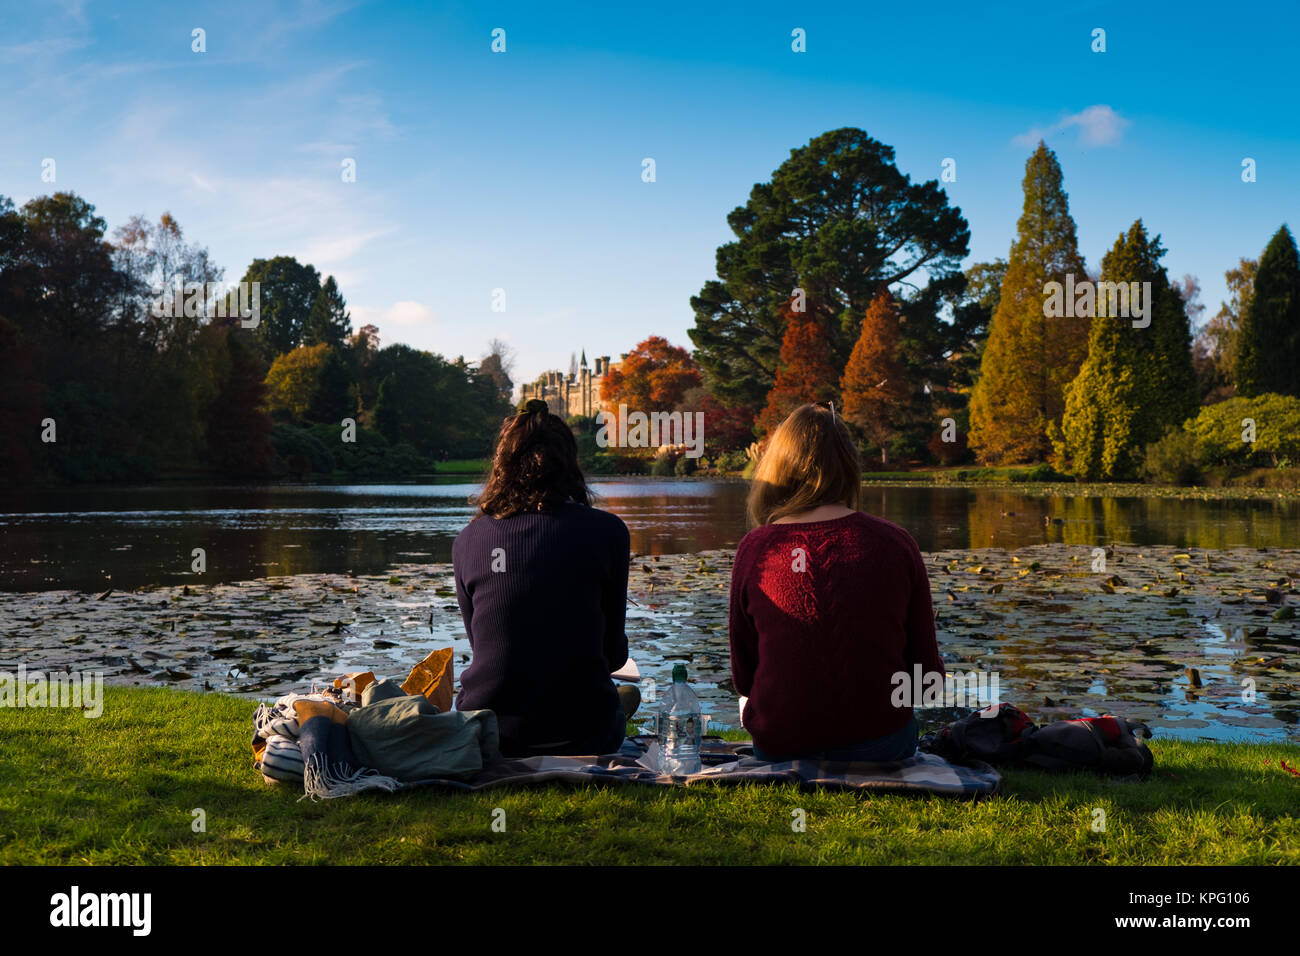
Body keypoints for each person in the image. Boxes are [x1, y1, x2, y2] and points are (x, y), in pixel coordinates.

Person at [728, 402, 944, 762]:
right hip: (882, 744)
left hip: (781, 745)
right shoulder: (895, 542)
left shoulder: (756, 548)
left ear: (777, 469)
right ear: (848, 465)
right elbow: (926, 682)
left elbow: (744, 678)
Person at [453, 399, 640, 757]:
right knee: (626, 695)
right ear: (569, 464)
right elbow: (614, 656)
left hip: (491, 735)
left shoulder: (468, 540)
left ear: (501, 466)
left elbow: (484, 647)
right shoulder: (608, 531)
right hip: (585, 735)